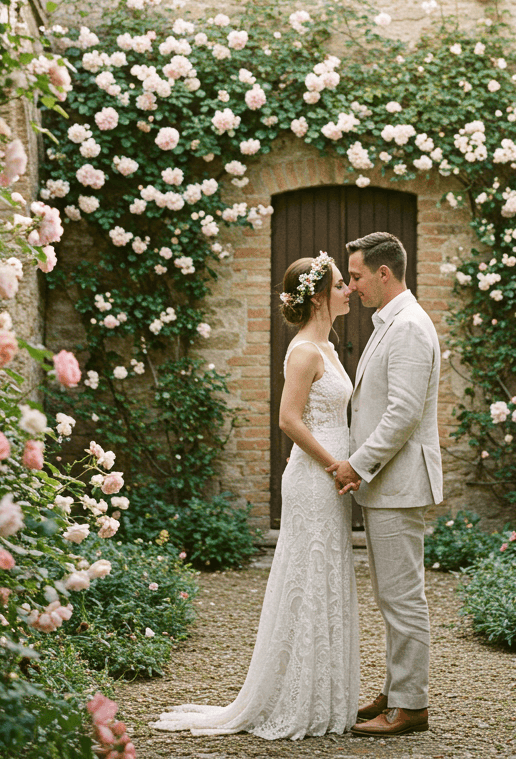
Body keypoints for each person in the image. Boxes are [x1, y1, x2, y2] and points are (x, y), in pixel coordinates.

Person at [150, 251, 359, 739]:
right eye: (340, 284)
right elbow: (289, 419)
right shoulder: (306, 351)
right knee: (308, 576)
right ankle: (292, 697)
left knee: (325, 575)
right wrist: (333, 464)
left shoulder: (328, 347)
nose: (349, 289)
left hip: (327, 479)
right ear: (320, 296)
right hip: (317, 479)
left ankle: (322, 694)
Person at [327, 231, 442, 739]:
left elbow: (402, 414)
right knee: (392, 596)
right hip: (387, 484)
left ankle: (411, 705)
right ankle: (397, 691)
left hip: (398, 482)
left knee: (403, 597)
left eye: (355, 277)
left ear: (383, 273)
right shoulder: (388, 323)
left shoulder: (411, 327)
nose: (351, 287)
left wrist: (356, 464)